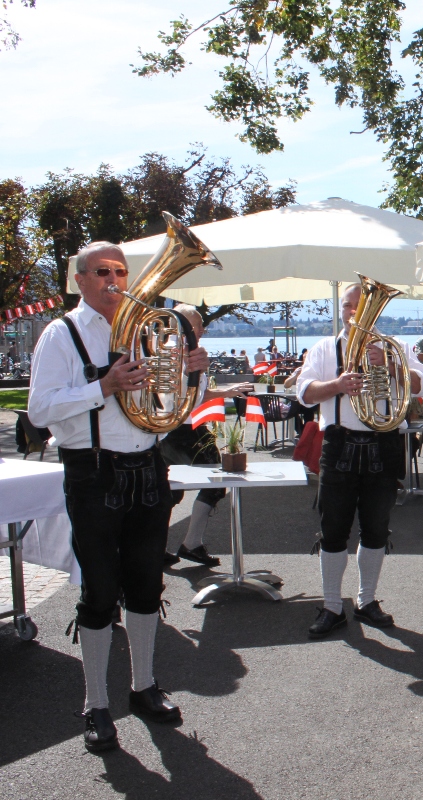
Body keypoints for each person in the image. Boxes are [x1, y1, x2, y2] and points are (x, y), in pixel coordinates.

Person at [28, 241, 209, 752]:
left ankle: (144, 687)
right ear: (80, 279)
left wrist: (191, 372)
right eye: (103, 271)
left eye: (121, 272)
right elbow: (40, 411)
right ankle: (96, 703)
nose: (114, 280)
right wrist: (102, 386)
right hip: (93, 471)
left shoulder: (145, 330)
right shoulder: (61, 333)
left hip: (147, 468)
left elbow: (170, 411)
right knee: (101, 593)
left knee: (147, 585)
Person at [294, 283, 423, 639]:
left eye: (362, 305)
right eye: (348, 306)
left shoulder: (397, 347)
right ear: (341, 311)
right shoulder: (324, 348)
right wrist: (337, 385)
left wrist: (391, 366)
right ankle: (332, 606)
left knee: (376, 528)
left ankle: (366, 600)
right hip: (340, 445)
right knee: (333, 529)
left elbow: (422, 385)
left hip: (383, 444)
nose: (354, 312)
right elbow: (304, 393)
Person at [159, 305, 253, 568]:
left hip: (168, 430)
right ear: (186, 327)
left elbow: (196, 395)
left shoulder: (176, 350)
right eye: (199, 324)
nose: (203, 329)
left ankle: (157, 546)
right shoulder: (178, 353)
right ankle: (191, 543)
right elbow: (185, 397)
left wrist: (226, 391)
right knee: (216, 482)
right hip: (184, 429)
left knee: (169, 491)